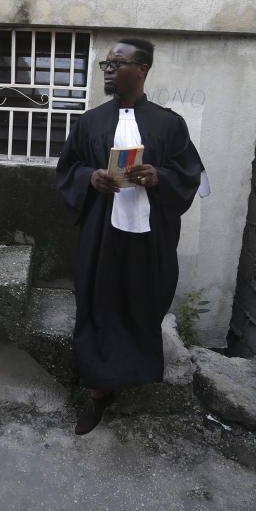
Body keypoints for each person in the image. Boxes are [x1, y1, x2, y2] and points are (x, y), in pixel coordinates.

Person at [55, 38, 205, 435]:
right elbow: (67, 169)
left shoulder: (169, 124)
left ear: (142, 69)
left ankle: (133, 376)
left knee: (142, 300)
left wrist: (161, 176)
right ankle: (98, 392)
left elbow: (189, 174)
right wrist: (91, 177)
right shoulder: (88, 122)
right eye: (106, 62)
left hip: (149, 239)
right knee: (97, 304)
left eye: (117, 62)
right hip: (101, 235)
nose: (108, 67)